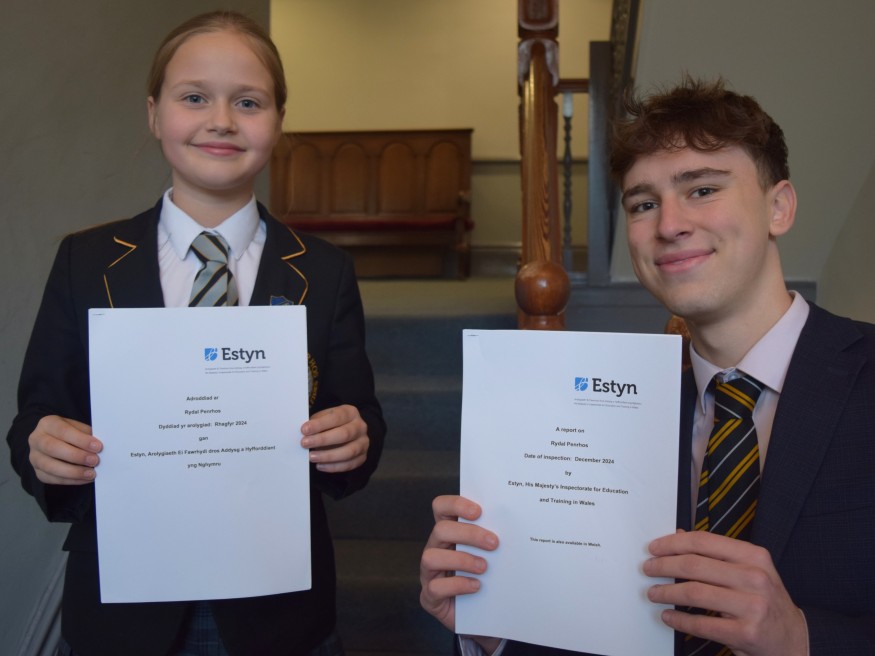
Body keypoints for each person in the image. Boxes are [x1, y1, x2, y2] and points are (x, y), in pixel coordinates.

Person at [419, 77, 875, 655]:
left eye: (702, 189)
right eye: (643, 204)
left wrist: (803, 639)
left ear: (778, 207)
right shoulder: (606, 424)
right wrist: (497, 630)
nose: (669, 225)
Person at [6, 10, 385, 656]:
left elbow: (360, 418)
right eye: (194, 98)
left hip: (276, 609)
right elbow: (34, 419)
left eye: (248, 102)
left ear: (278, 121)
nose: (221, 120)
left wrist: (352, 440)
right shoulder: (85, 262)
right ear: (155, 115)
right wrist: (45, 449)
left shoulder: (323, 271)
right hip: (125, 604)